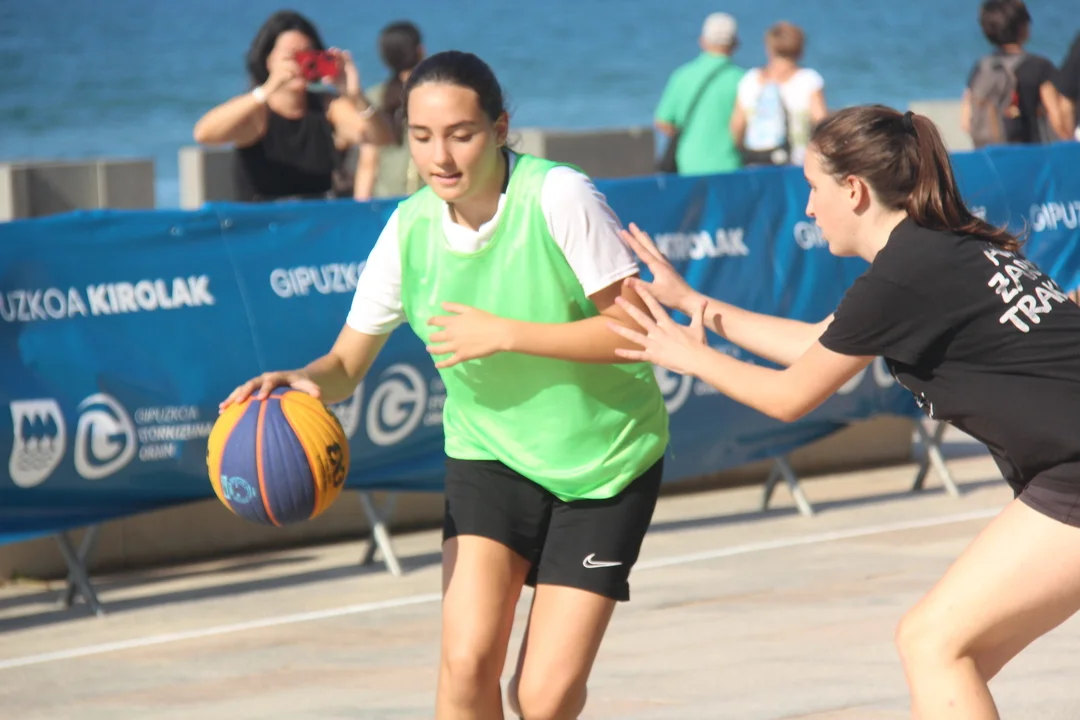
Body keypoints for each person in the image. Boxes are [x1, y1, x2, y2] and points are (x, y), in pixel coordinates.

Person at [220, 50, 669, 719]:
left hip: (606, 464)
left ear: (499, 128)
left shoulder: (558, 196)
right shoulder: (409, 228)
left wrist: (508, 333)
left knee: (542, 699)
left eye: (461, 134)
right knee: (465, 667)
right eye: (422, 136)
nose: (441, 157)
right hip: (490, 456)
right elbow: (345, 364)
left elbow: (641, 332)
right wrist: (300, 379)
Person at [609, 105, 1080, 719]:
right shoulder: (935, 250)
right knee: (950, 664)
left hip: (1072, 473)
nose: (807, 207)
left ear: (853, 190)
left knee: (932, 644)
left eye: (813, 187)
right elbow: (814, 344)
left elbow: (789, 397)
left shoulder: (904, 274)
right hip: (1064, 471)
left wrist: (690, 357)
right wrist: (694, 303)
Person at [193, 10, 392, 203]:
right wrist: (267, 90)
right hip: (263, 221)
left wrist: (355, 96)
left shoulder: (329, 109)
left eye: (306, 57)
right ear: (267, 60)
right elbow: (204, 134)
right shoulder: (257, 113)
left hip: (319, 220)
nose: (299, 66)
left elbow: (381, 137)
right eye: (291, 57)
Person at [961, 0, 1070, 147]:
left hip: (989, 156)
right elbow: (1059, 122)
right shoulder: (1039, 67)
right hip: (1031, 156)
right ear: (1022, 27)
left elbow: (966, 121)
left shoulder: (982, 67)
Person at [654, 12, 745, 175]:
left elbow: (663, 122)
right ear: (735, 44)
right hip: (730, 163)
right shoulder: (744, 80)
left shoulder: (682, 76)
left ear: (702, 41)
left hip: (688, 164)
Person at [730, 21, 827, 167]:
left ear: (769, 49)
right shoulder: (808, 80)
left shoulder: (750, 80)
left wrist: (742, 150)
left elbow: (737, 125)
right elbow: (821, 121)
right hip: (796, 162)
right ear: (800, 50)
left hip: (756, 161)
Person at [353, 20, 427, 200]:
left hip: (386, 198)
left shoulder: (374, 97)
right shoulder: (435, 94)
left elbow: (368, 162)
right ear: (420, 51)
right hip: (428, 197)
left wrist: (361, 207)